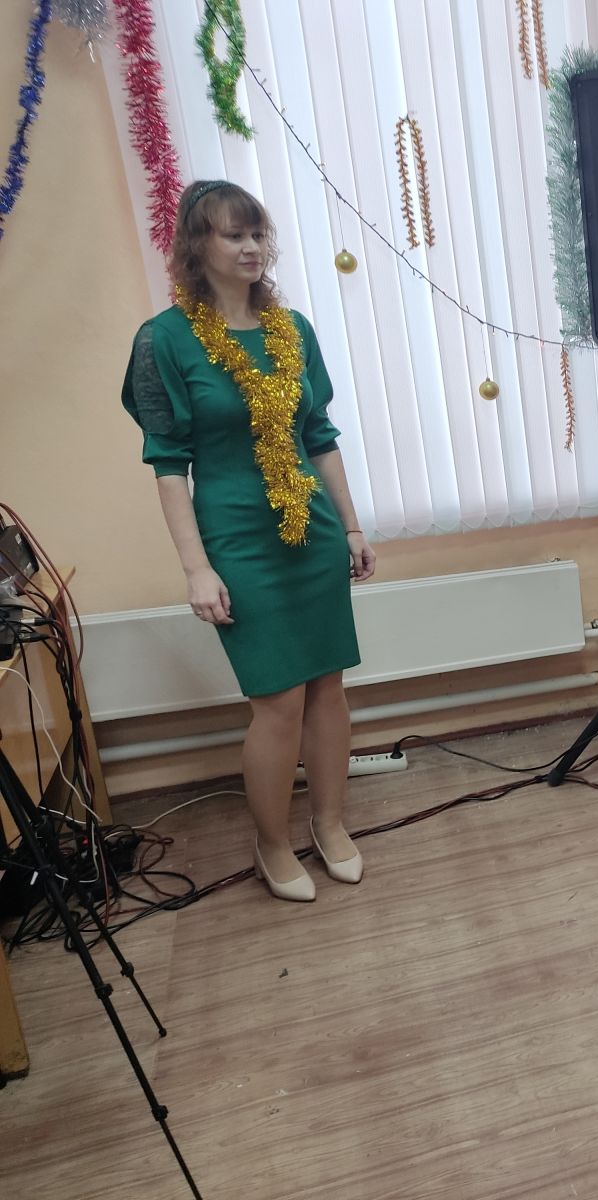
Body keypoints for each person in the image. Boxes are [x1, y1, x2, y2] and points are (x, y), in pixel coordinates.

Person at [122, 180, 376, 903]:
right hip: (236, 537)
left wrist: (352, 526)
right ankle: (272, 843)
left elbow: (319, 436)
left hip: (311, 532)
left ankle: (330, 823)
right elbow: (168, 465)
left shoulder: (293, 330)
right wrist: (196, 569)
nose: (250, 246)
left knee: (327, 687)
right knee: (279, 700)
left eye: (258, 232)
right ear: (195, 245)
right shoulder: (164, 341)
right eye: (232, 234)